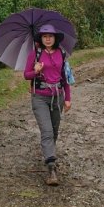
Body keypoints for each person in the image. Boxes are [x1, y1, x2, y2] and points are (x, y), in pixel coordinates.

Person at [24, 24, 71, 186]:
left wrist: (68, 98)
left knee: (54, 131)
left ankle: (49, 151)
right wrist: (35, 71)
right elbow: (26, 75)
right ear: (41, 39)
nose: (48, 38)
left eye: (50, 36)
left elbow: (65, 77)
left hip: (57, 96)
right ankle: (51, 168)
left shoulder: (62, 53)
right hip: (39, 98)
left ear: (55, 37)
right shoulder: (35, 54)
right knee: (47, 131)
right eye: (44, 36)